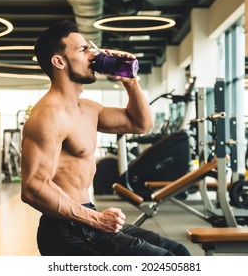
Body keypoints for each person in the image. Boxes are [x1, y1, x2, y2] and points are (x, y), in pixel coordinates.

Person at [21, 20, 191, 256]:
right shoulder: (50, 116)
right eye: (83, 50)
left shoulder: (88, 109)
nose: (94, 55)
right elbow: (33, 188)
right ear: (59, 61)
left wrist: (131, 82)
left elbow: (140, 123)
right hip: (65, 228)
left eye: (91, 48)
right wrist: (96, 219)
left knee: (178, 251)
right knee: (167, 261)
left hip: (86, 217)